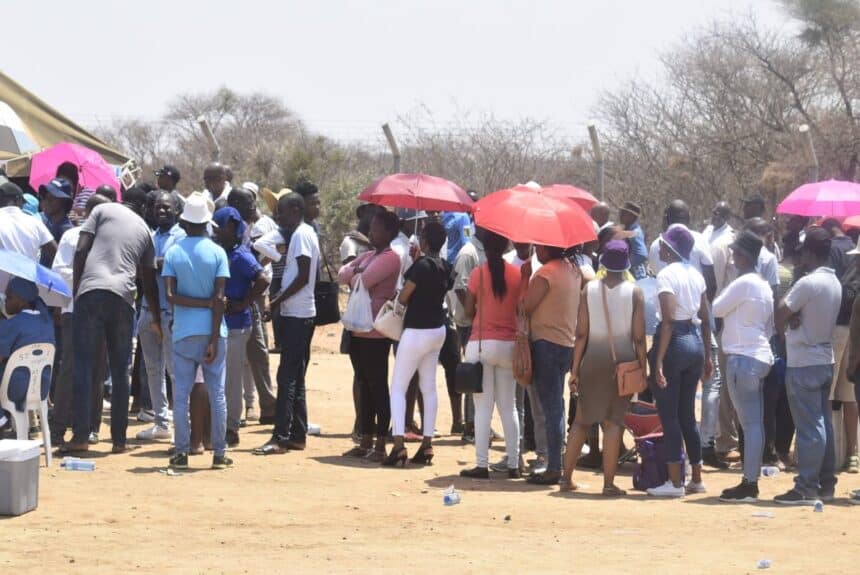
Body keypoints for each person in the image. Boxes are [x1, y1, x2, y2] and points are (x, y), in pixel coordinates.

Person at [60, 186, 161, 454]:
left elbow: (81, 250)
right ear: (143, 208)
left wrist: (77, 289)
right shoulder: (145, 231)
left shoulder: (102, 210)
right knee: (120, 371)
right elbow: (149, 282)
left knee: (84, 366)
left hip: (91, 292)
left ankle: (81, 435)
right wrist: (157, 318)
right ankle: (119, 441)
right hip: (123, 299)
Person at [561, 240, 646, 495]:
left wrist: (575, 369)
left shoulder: (590, 290)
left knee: (581, 421)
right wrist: (644, 367)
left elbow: (581, 334)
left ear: (603, 263)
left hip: (591, 360)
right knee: (613, 423)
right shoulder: (635, 292)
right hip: (622, 361)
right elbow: (639, 337)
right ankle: (608, 484)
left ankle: (566, 479)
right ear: (626, 264)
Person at [161, 192, 231, 469]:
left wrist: (199, 303)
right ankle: (220, 454)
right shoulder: (217, 253)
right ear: (206, 223)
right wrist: (213, 337)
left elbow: (170, 295)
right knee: (217, 393)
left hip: (183, 333)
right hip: (214, 332)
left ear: (184, 223)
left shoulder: (174, 252)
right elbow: (220, 302)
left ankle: (181, 453)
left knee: (181, 394)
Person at [773, 227, 841, 505]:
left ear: (811, 252)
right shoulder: (834, 282)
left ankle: (806, 487)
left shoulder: (808, 283)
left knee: (810, 427)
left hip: (803, 361)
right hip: (825, 358)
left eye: (803, 252)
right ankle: (826, 483)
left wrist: (784, 330)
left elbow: (780, 310)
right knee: (822, 423)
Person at [647, 225, 712, 497]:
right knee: (687, 415)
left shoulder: (665, 276)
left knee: (669, 415)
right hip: (695, 341)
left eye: (663, 244)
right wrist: (708, 356)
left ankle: (674, 482)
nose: (660, 248)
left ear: (670, 248)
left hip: (673, 343)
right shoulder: (696, 275)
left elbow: (668, 319)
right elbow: (706, 318)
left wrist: (658, 360)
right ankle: (696, 477)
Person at [254, 193, 320, 455]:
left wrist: (278, 300)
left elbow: (303, 276)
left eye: (281, 212)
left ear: (295, 209)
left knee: (287, 377)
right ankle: (297, 434)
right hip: (299, 314)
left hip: (299, 315)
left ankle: (280, 437)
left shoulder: (303, 234)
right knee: (295, 377)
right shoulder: (300, 234)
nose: (278, 217)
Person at [383, 221, 452, 467]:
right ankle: (427, 443)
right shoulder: (446, 266)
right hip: (437, 330)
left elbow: (404, 296)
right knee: (429, 387)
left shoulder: (420, 266)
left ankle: (399, 445)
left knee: (399, 387)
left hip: (416, 331)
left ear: (424, 240)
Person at [713, 231, 775, 502]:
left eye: (736, 253)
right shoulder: (763, 284)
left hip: (742, 358)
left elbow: (716, 307)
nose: (733, 256)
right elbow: (770, 326)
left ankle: (750, 482)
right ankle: (751, 479)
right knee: (755, 422)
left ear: (744, 256)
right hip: (760, 356)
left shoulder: (744, 283)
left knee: (749, 424)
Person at [459, 230, 523, 479]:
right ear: (507, 245)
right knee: (510, 407)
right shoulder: (517, 275)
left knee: (483, 408)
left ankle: (482, 464)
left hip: (482, 343)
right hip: (509, 345)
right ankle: (514, 464)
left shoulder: (478, 275)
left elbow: (467, 311)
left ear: (484, 248)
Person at [338, 210, 401, 460]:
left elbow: (361, 280)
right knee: (363, 383)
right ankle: (364, 439)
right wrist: (358, 274)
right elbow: (345, 274)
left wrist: (357, 274)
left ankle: (380, 443)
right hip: (357, 329)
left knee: (377, 385)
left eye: (375, 228)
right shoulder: (369, 255)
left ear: (388, 232)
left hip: (375, 331)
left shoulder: (390, 258)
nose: (371, 232)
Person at [50, 193, 111, 446]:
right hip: (74, 311)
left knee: (97, 371)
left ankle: (90, 426)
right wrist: (84, 273)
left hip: (102, 312)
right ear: (87, 212)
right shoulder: (71, 237)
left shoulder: (112, 239)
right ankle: (58, 427)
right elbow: (59, 271)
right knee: (70, 370)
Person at [523, 243, 582, 485]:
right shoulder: (573, 270)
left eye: (539, 247)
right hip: (565, 344)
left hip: (545, 343)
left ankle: (554, 466)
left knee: (551, 408)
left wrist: (525, 278)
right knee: (556, 404)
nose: (536, 250)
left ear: (547, 250)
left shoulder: (545, 273)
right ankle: (556, 463)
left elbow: (525, 307)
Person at [213, 207, 269, 447]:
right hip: (222, 322)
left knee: (232, 378)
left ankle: (232, 427)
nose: (216, 230)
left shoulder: (240, 255)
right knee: (221, 377)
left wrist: (244, 302)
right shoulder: (222, 252)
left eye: (221, 226)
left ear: (232, 227)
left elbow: (263, 278)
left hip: (237, 324)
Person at [135, 192, 186, 441]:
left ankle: (181, 424)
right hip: (147, 311)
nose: (161, 211)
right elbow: (143, 267)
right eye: (157, 207)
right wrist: (152, 263)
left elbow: (173, 263)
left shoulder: (182, 236)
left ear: (176, 209)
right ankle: (161, 422)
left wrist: (152, 263)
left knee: (174, 370)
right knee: (153, 369)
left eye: (166, 207)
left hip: (170, 313)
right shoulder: (150, 236)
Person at [228, 185, 278, 423]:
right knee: (231, 360)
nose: (253, 208)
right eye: (248, 204)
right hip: (231, 301)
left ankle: (268, 406)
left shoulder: (252, 229)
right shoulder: (227, 230)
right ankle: (230, 413)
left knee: (258, 353)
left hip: (251, 298)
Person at [822, 219, 860, 472]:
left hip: (837, 327)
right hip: (853, 331)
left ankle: (827, 454)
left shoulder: (829, 249)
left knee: (827, 392)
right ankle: (852, 454)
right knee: (849, 395)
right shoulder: (850, 250)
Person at [0, 277, 55, 432]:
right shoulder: (46, 321)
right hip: (41, 388)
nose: (5, 301)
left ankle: (2, 420)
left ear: (22, 300)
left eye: (9, 297)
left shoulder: (13, 324)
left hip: (16, 390)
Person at [452, 226, 487, 442]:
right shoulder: (468, 252)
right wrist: (473, 314)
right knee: (473, 372)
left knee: (482, 373)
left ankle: (479, 423)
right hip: (469, 322)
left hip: (482, 321)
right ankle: (470, 425)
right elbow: (459, 286)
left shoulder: (484, 250)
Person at [0, 180, 56, 263]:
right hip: (29, 275)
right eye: (23, 202)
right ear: (17, 200)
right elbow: (55, 253)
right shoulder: (35, 223)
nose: (23, 206)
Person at [37, 178, 73, 267]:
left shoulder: (67, 231)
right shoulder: (46, 224)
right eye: (45, 197)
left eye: (52, 198)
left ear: (64, 201)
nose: (47, 202)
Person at [618, 201, 648, 280]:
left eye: (624, 214)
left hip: (636, 277)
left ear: (632, 217)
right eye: (621, 213)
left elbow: (642, 254)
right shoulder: (628, 230)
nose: (620, 216)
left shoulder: (634, 233)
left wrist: (624, 265)